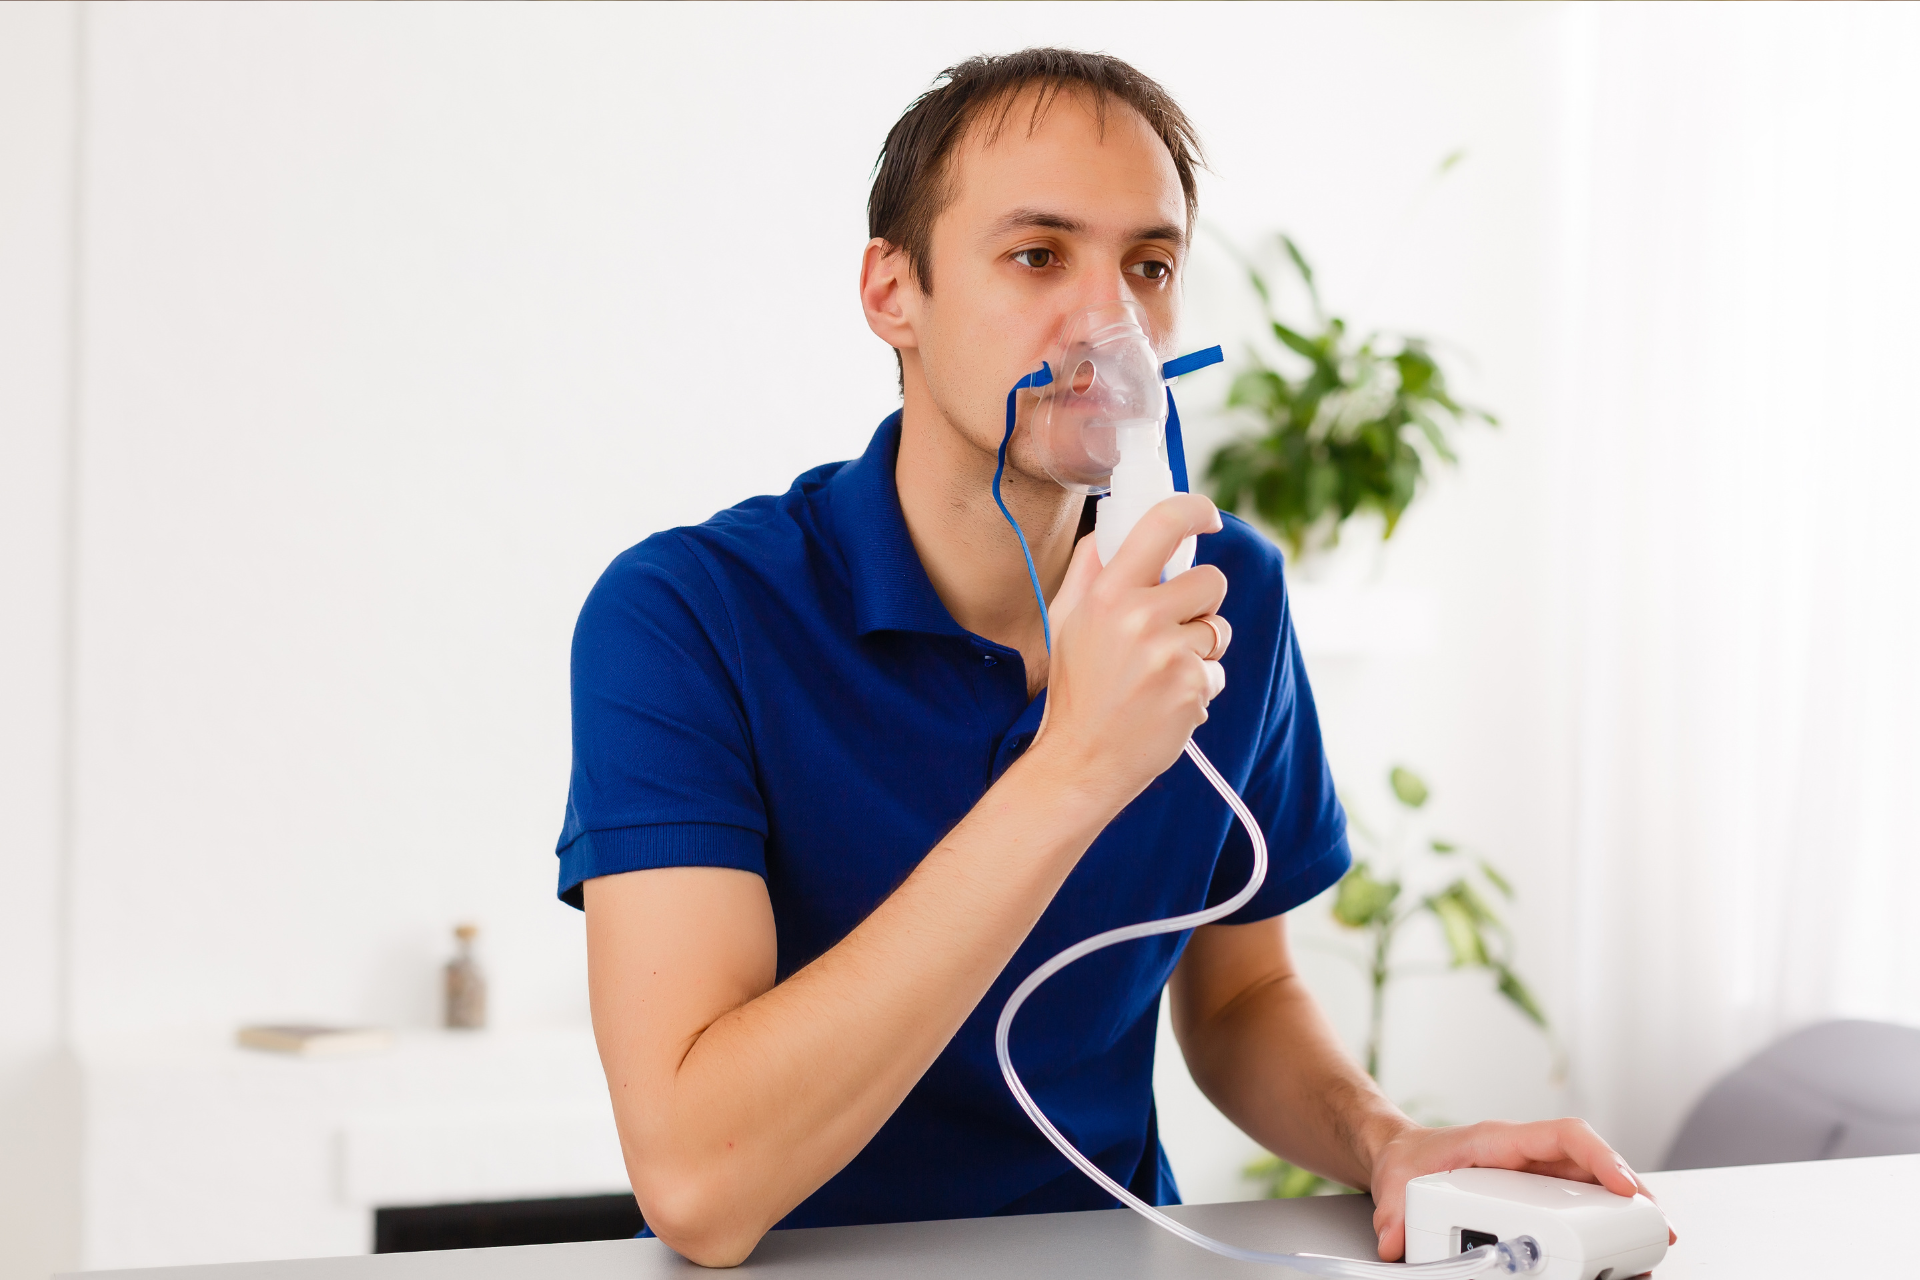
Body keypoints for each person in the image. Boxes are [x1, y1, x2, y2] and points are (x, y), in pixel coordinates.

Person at [559, 47, 1666, 1270]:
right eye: (1038, 256)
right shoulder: (684, 617)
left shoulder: (1217, 588)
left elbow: (1240, 998)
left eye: (1149, 265)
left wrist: (1387, 1137)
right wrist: (1073, 765)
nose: (1111, 323)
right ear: (893, 293)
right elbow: (697, 1186)